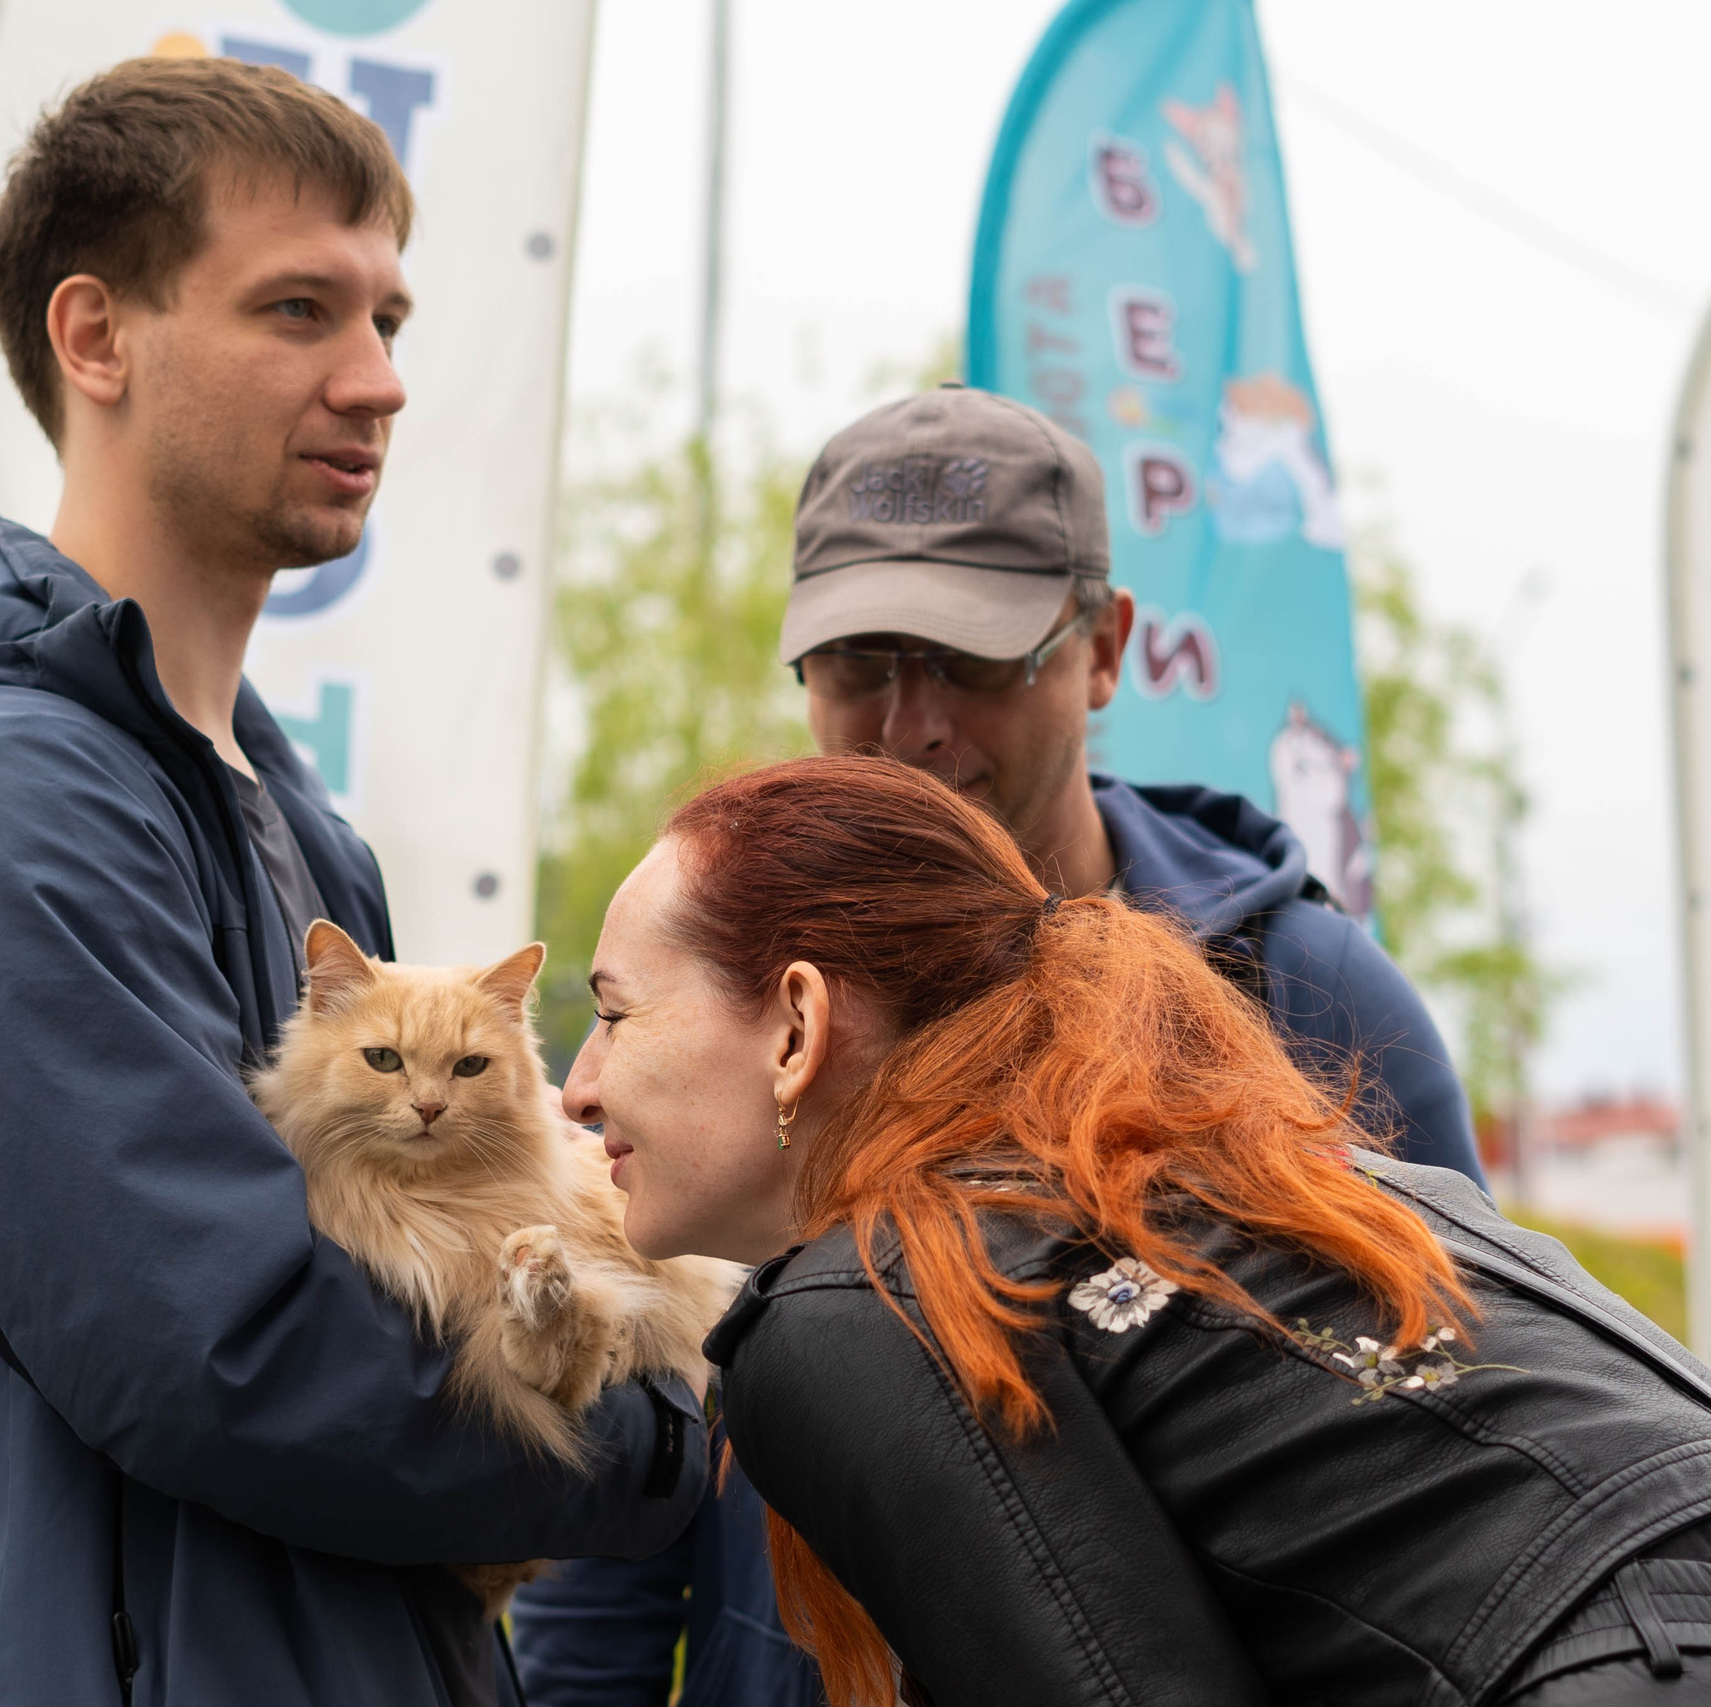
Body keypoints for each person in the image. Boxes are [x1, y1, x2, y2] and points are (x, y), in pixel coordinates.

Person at [0, 57, 705, 1707]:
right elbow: (238, 1353)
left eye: (389, 318)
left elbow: (436, 1256)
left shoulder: (295, 822)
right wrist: (670, 1425)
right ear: (95, 337)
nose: (378, 380)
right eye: (298, 312)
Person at [512, 383, 1484, 1707]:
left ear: (1104, 646)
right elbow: (619, 1469)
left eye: (971, 657)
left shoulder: (1313, 1003)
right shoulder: (705, 992)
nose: (910, 721)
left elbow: (1444, 1480)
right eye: (859, 663)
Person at [572, 753, 1711, 1705]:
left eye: (613, 1015)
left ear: (795, 1030)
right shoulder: (1189, 1172)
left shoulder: (859, 1298)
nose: (577, 1087)